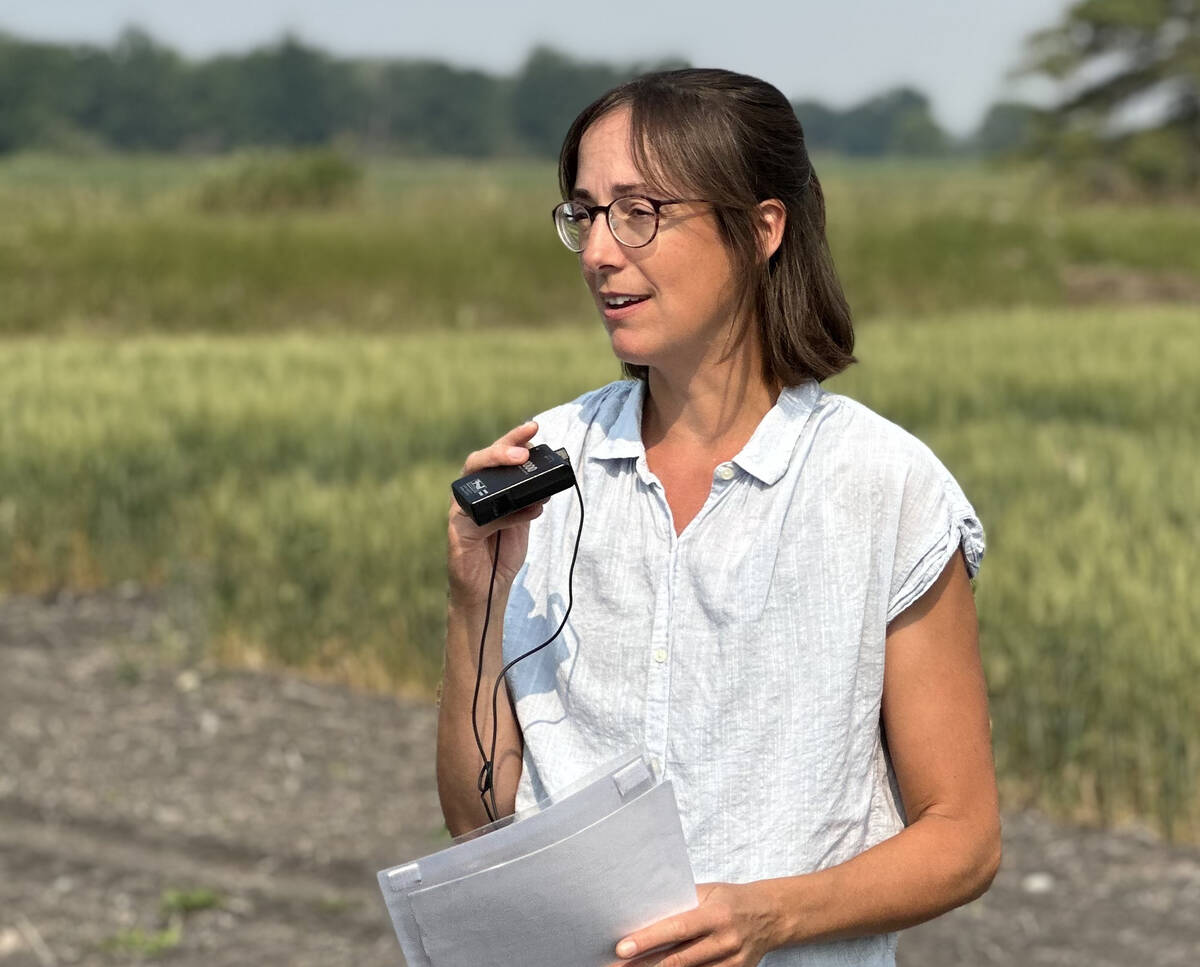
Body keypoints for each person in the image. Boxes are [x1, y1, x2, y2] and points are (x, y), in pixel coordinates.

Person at [437, 68, 1000, 967]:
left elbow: (964, 836)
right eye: (584, 213)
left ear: (762, 228)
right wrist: (478, 597)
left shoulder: (883, 487)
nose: (598, 251)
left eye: (640, 211)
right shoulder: (543, 470)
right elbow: (481, 826)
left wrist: (768, 916)